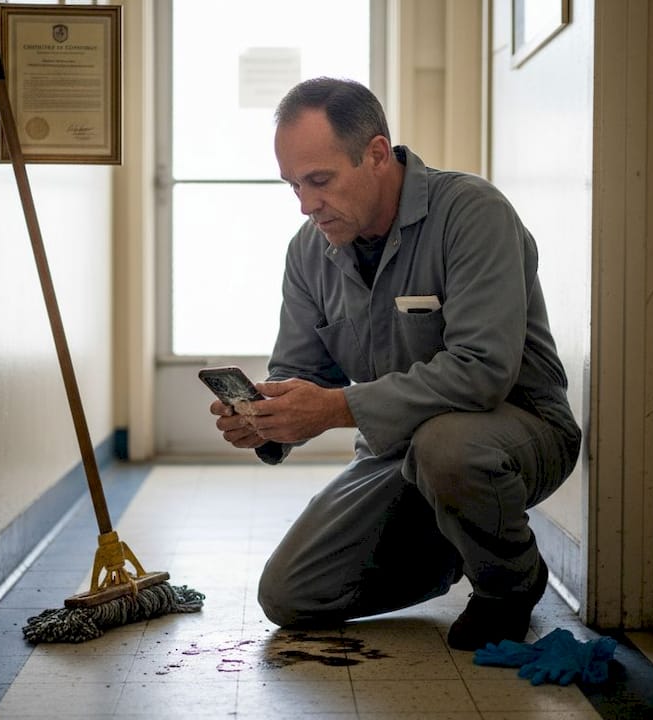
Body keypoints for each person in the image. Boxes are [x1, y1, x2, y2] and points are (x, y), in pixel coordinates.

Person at [208, 77, 582, 651]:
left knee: (447, 448)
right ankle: (452, 542)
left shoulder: (471, 214)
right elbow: (298, 373)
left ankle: (510, 585)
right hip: (396, 454)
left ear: (377, 154)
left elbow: (482, 371)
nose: (307, 204)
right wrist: (266, 419)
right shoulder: (309, 251)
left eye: (320, 181)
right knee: (290, 597)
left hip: (518, 430)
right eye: (293, 186)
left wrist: (335, 408)